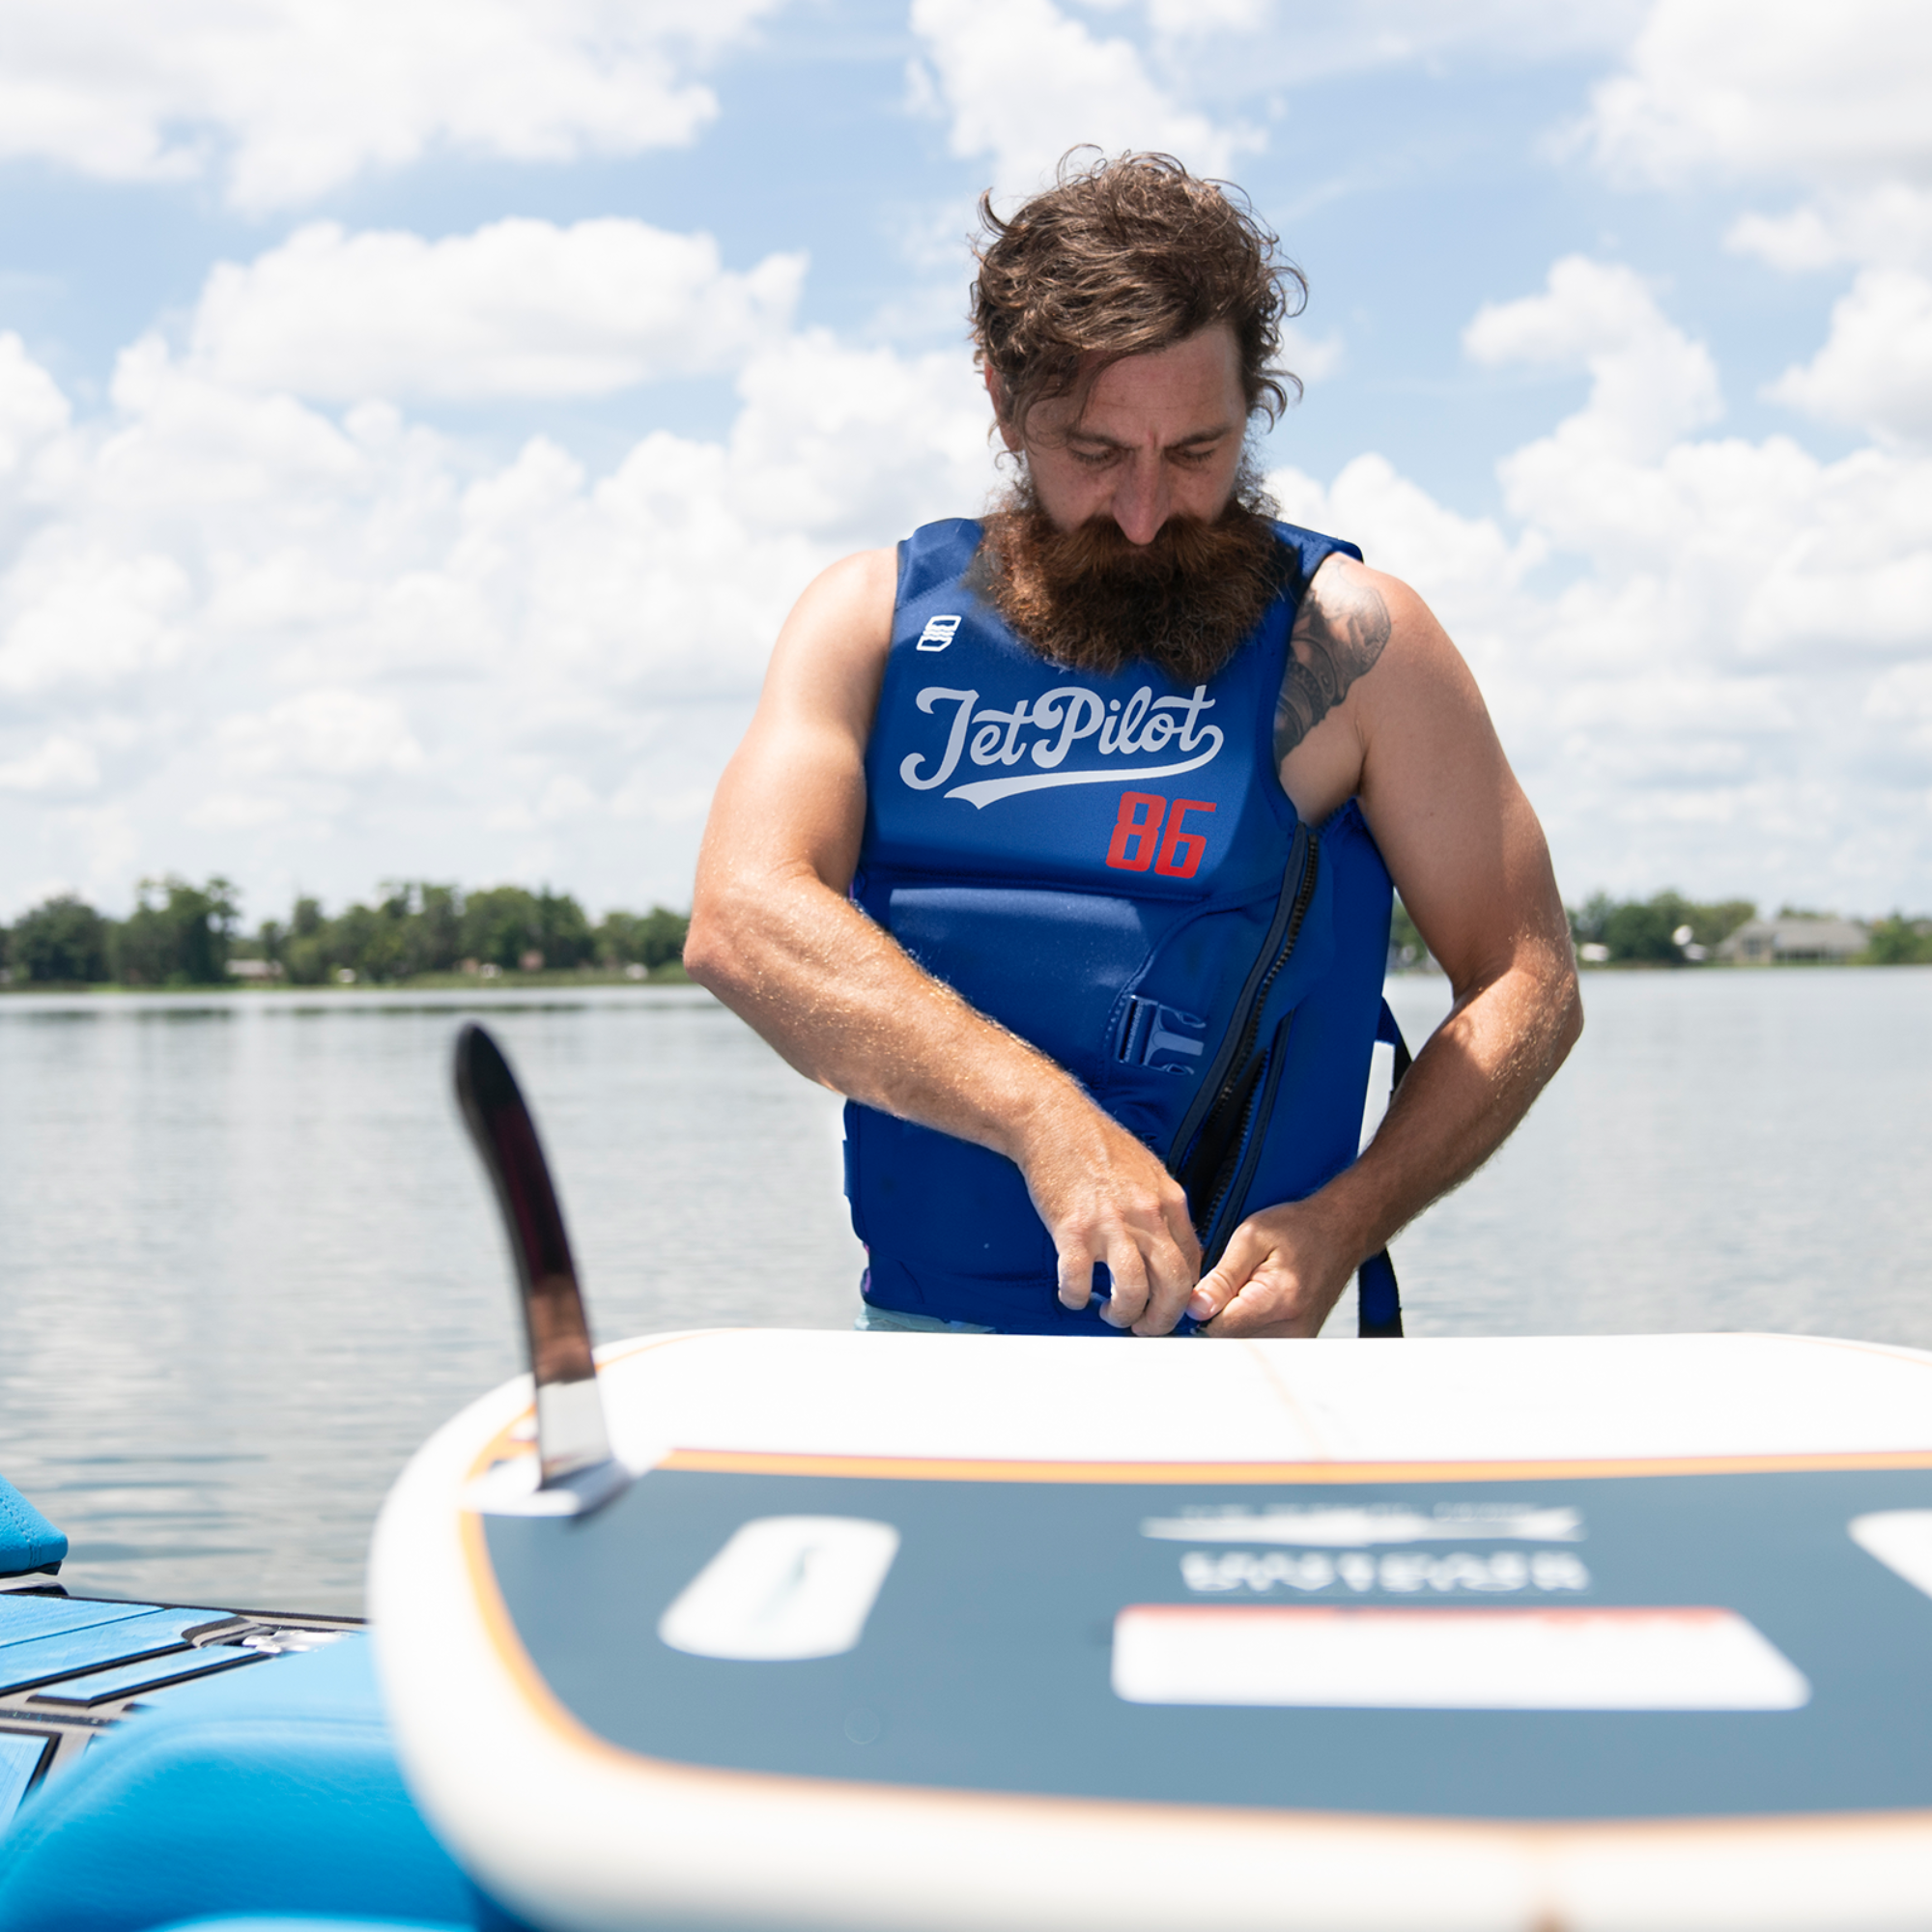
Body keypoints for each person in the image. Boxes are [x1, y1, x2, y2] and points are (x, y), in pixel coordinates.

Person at [685, 152, 1580, 1339]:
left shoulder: (1349, 642)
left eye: (1197, 450)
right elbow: (742, 917)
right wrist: (1042, 1118)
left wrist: (1347, 1218)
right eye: (1096, 453)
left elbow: (1526, 978)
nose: (1146, 512)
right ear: (1003, 401)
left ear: (1252, 403)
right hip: (917, 1355)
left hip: (1234, 1358)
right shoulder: (870, 620)